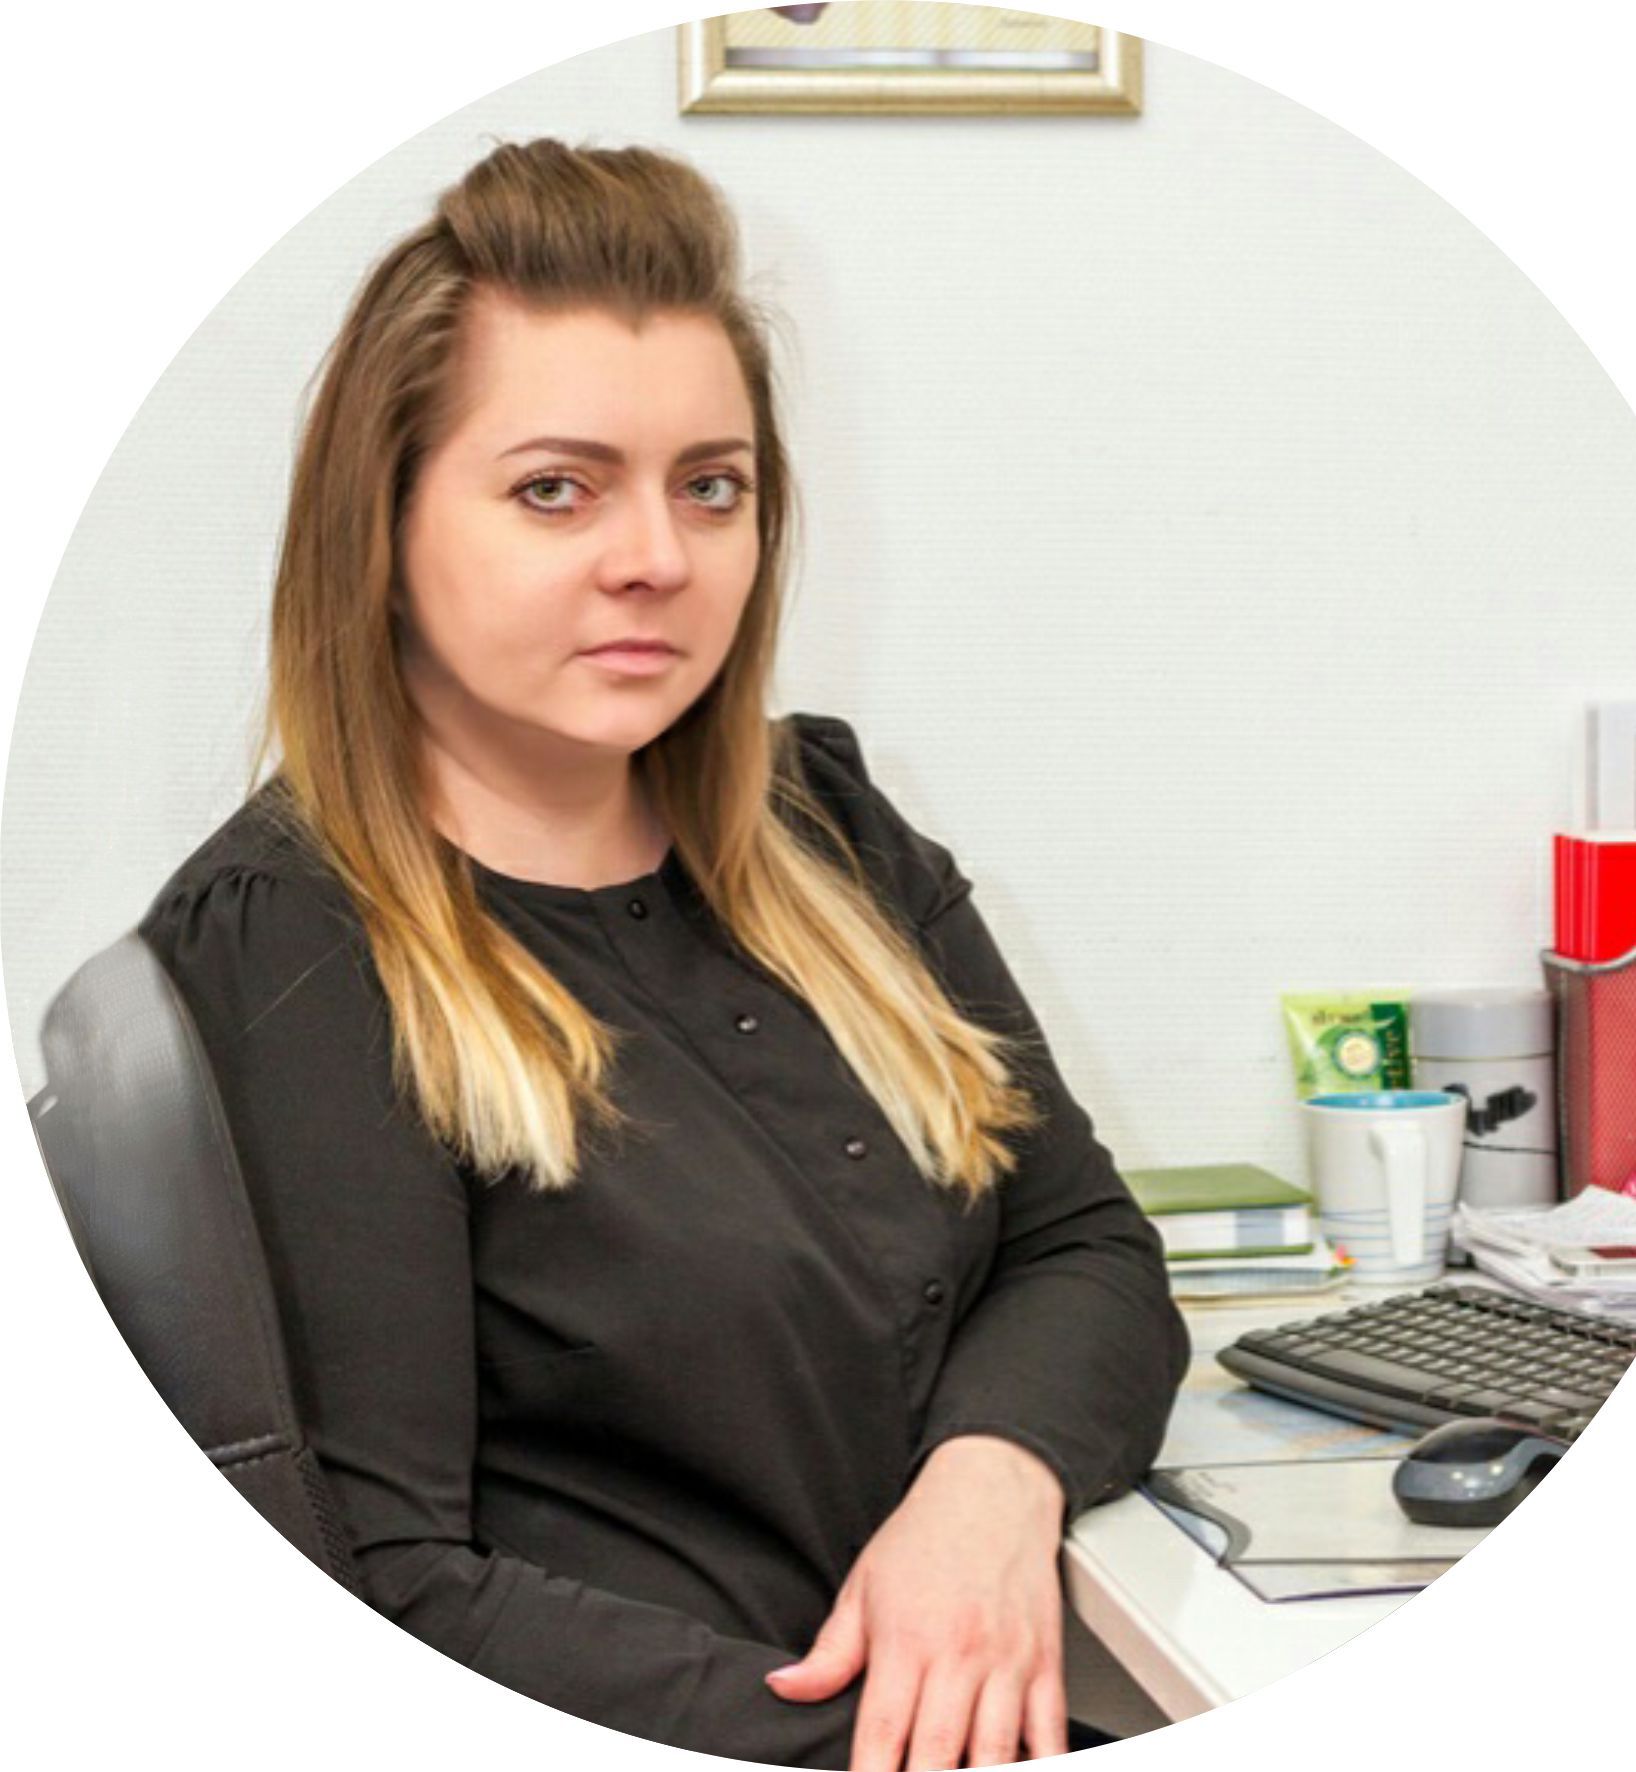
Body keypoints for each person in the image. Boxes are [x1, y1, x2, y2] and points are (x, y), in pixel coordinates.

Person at [138, 138, 1187, 1769]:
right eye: (555, 489)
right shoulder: (299, 946)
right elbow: (384, 1586)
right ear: (382, 521)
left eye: (712, 485)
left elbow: (1084, 1247)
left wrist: (989, 1480)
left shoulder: (821, 825)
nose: (659, 557)